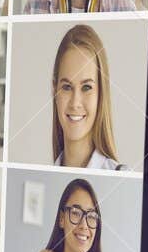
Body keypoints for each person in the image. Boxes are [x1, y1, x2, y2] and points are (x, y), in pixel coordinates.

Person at [50, 23, 125, 170]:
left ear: (101, 93)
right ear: (54, 90)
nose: (75, 102)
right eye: (66, 87)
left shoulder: (123, 174)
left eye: (86, 87)